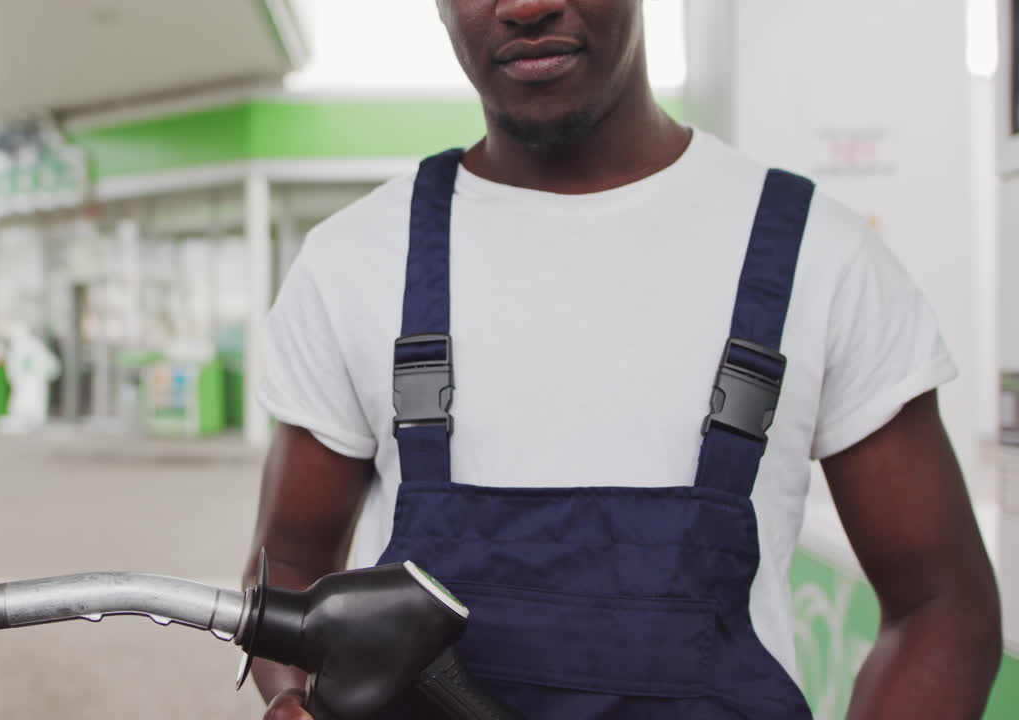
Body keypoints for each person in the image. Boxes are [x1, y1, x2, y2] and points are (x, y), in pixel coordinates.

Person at [247, 1, 1002, 718]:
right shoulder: (353, 264)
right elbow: (289, 571)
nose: (524, 7)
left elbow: (944, 607)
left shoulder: (822, 259)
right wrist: (291, 701)